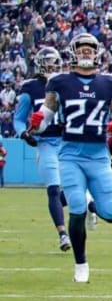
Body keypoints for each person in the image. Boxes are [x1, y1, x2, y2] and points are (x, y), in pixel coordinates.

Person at [29, 33, 112, 283]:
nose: (86, 53)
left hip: (98, 155)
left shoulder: (110, 82)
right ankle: (81, 265)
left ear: (97, 52)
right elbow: (45, 119)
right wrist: (37, 124)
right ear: (73, 52)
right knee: (75, 206)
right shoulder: (59, 81)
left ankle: (91, 206)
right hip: (70, 153)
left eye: (89, 49)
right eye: (82, 49)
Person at [13, 47, 72, 250]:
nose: (50, 66)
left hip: (68, 142)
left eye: (53, 62)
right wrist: (23, 134)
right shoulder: (30, 87)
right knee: (53, 189)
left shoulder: (65, 84)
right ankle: (63, 234)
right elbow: (19, 119)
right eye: (47, 62)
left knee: (75, 187)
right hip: (46, 142)